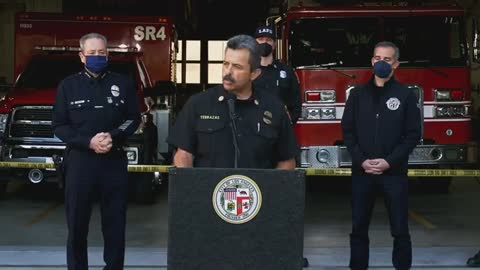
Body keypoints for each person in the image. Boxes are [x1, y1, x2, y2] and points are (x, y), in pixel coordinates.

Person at [52, 32, 141, 270]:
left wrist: (112, 136)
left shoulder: (122, 83)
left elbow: (134, 118)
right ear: (82, 56)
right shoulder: (68, 86)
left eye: (101, 53)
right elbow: (59, 126)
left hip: (114, 161)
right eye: (91, 53)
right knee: (77, 225)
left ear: (108, 54)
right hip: (80, 162)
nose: (97, 57)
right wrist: (88, 142)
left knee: (114, 224)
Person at [341, 41, 421, 270]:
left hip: (393, 174)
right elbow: (347, 131)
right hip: (362, 173)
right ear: (371, 61)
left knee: (400, 229)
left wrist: (389, 161)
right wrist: (361, 160)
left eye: (386, 60)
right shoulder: (357, 94)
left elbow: (412, 134)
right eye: (377, 58)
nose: (381, 63)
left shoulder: (405, 95)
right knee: (358, 229)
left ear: (396, 64)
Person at [167, 34, 298, 169]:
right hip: (206, 189)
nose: (228, 71)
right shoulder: (198, 104)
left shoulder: (274, 108)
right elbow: (183, 155)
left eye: (237, 67)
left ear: (254, 74)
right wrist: (191, 189)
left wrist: (272, 190)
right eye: (226, 64)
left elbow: (286, 161)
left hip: (260, 190)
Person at [253, 25, 302, 124]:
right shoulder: (246, 70)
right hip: (252, 130)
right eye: (261, 39)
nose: (264, 42)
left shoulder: (286, 71)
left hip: (278, 129)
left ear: (274, 45)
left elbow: (296, 102)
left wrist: (288, 123)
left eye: (268, 40)